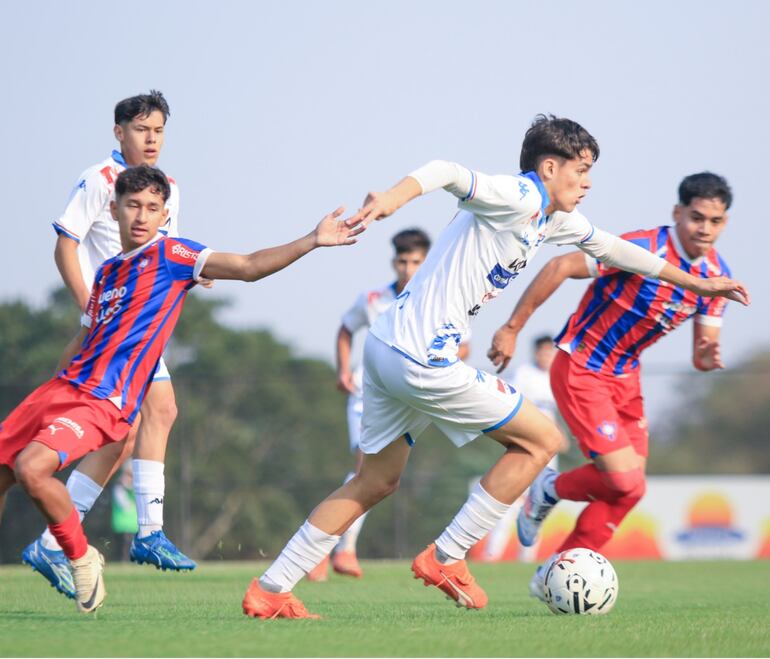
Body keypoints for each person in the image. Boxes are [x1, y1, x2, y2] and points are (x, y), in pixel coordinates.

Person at [241, 115, 748, 620]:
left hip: (384, 348)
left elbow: (617, 249)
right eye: (583, 169)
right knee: (542, 441)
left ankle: (272, 587)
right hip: (422, 359)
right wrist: (393, 200)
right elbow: (446, 170)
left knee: (374, 480)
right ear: (550, 167)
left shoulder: (554, 219)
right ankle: (447, 556)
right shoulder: (521, 196)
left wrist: (698, 285)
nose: (589, 182)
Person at [0, 165, 362, 613]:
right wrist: (50, 391)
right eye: (132, 205)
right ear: (113, 210)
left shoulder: (174, 255)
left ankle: (79, 556)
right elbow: (85, 337)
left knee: (32, 471)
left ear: (164, 214)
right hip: (63, 389)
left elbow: (248, 266)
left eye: (152, 208)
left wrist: (311, 239)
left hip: (104, 400)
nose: (141, 216)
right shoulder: (109, 272)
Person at [487, 172, 737, 600]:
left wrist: (709, 357)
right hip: (581, 365)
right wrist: (512, 327)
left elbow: (701, 352)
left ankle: (555, 570)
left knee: (631, 490)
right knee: (621, 481)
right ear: (678, 213)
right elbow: (560, 265)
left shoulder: (716, 277)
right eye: (697, 217)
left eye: (715, 221)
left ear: (724, 223)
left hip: (626, 378)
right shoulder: (642, 248)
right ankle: (547, 488)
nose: (705, 229)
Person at [22, 91, 195, 601]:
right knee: (159, 410)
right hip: (112, 329)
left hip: (137, 327)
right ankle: (148, 532)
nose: (151, 139)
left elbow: (165, 251)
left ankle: (56, 543)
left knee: (124, 435)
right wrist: (90, 311)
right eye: (142, 129)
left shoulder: (167, 189)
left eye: (159, 130)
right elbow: (65, 243)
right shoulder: (99, 179)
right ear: (119, 132)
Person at [309, 229, 468, 581]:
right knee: (365, 469)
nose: (408, 269)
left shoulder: (440, 300)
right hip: (370, 396)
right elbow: (346, 329)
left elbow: (464, 345)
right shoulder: (374, 299)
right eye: (401, 261)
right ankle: (334, 549)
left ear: (427, 261)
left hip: (414, 397)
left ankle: (324, 545)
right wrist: (343, 370)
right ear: (393, 261)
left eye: (415, 262)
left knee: (381, 479)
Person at [481, 335, 566, 562]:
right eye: (543, 352)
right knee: (510, 498)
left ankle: (527, 558)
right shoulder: (525, 374)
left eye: (550, 352)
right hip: (527, 441)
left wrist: (560, 433)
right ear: (536, 352)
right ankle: (492, 554)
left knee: (539, 501)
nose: (546, 356)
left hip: (548, 447)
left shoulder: (556, 375)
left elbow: (556, 412)